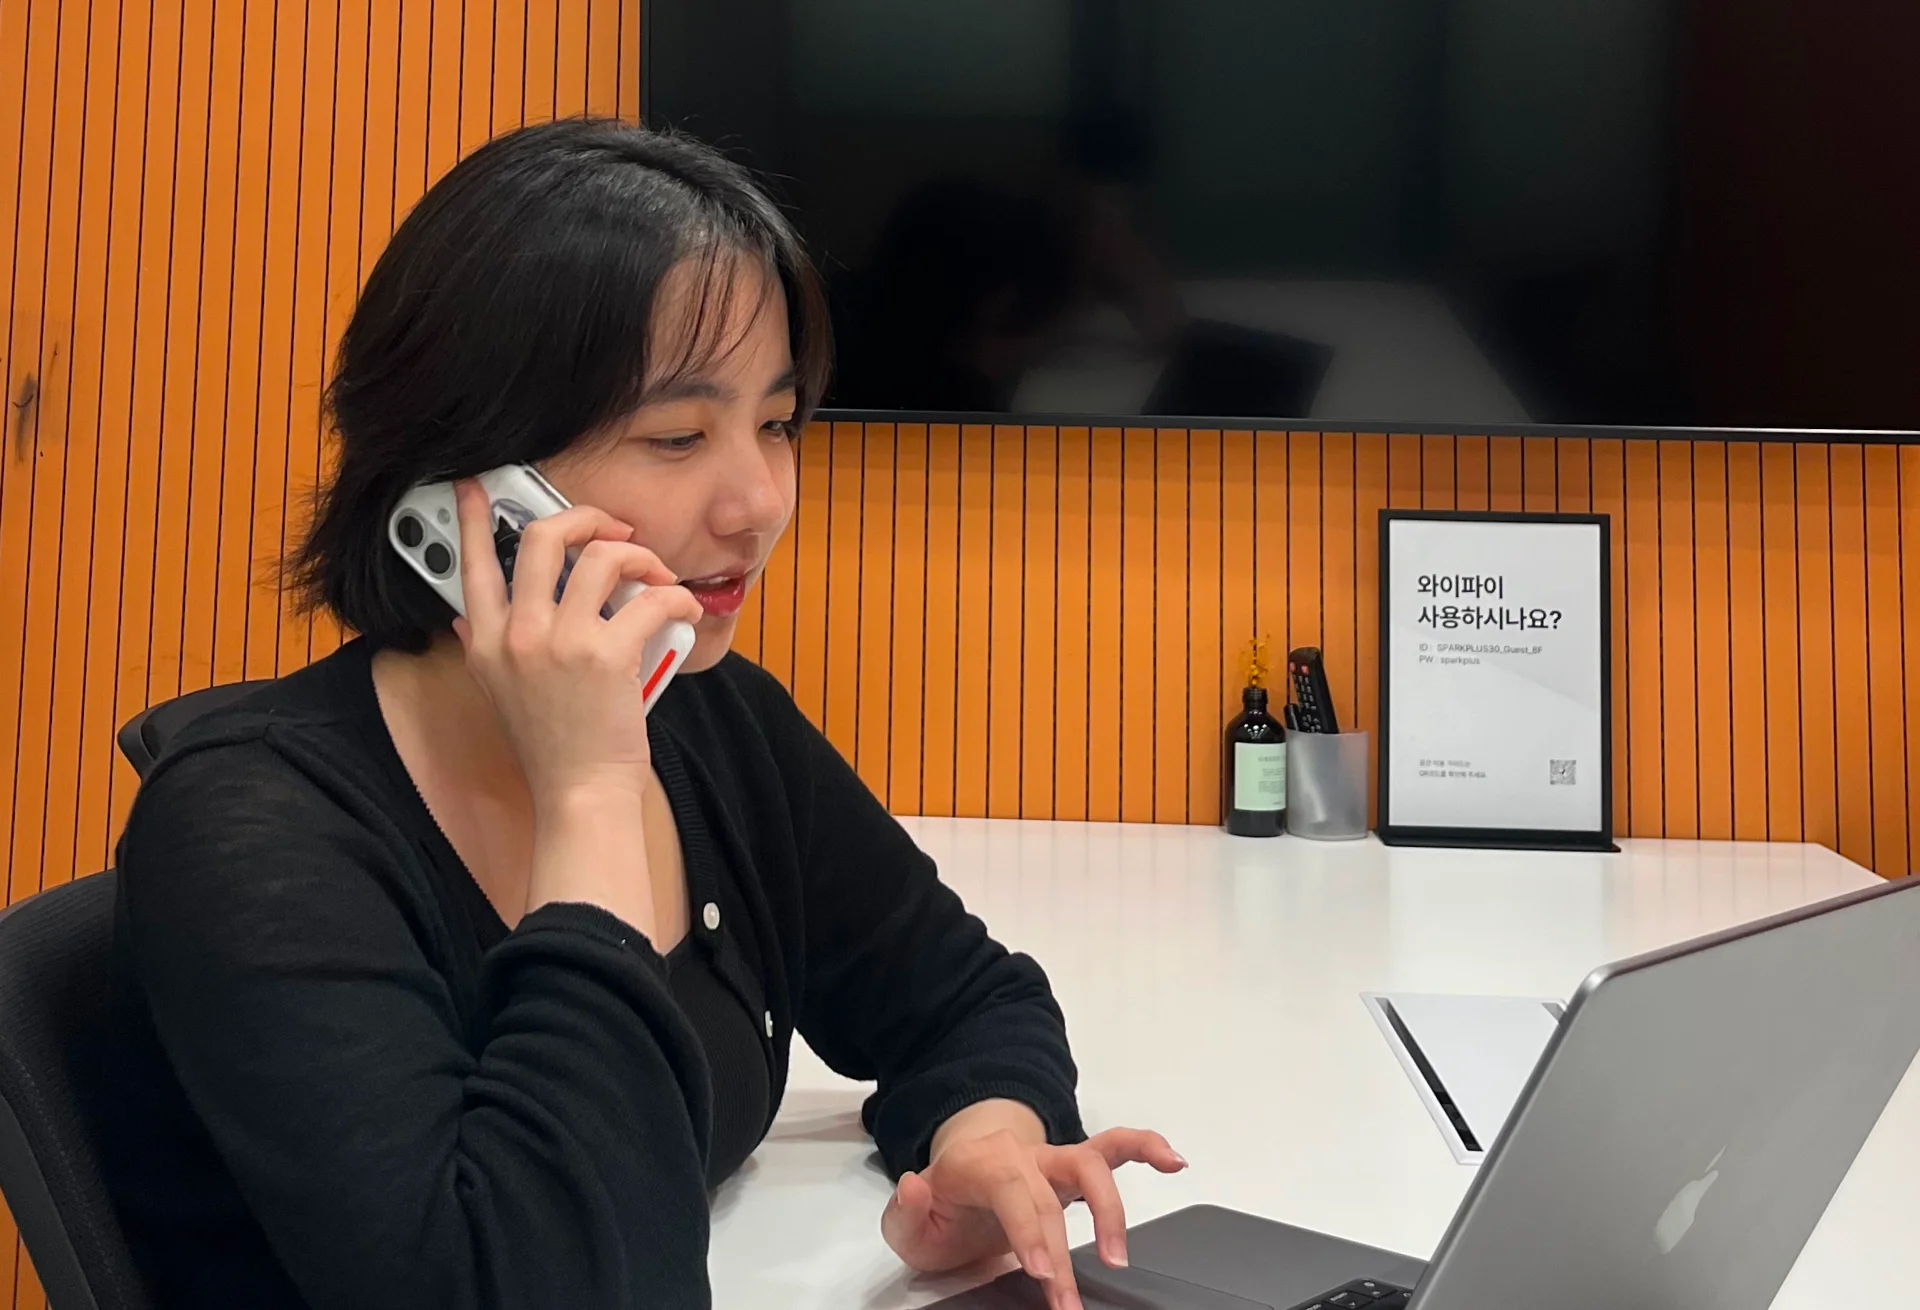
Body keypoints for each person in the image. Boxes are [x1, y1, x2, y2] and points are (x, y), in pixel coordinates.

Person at [89, 119, 1184, 1310]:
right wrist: (593, 792)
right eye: (676, 436)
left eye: (776, 422)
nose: (758, 501)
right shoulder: (249, 830)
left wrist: (985, 1138)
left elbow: (966, 997)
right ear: (468, 487)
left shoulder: (710, 719)